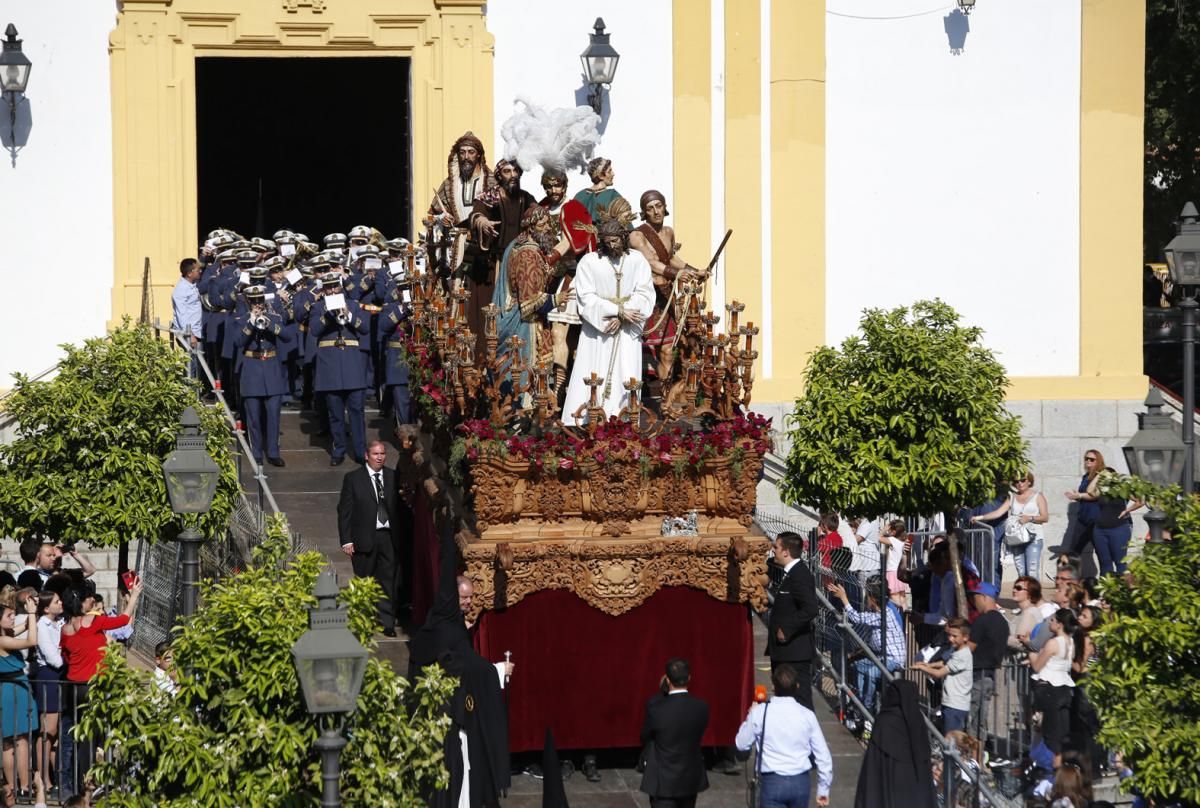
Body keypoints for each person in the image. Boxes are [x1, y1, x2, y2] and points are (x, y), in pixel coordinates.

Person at [409, 524, 509, 808]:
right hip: (448, 722)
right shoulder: (448, 632)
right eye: (464, 598)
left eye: (471, 598)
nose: (469, 603)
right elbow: (463, 666)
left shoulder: (436, 624)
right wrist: (499, 670)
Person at [561, 218, 656, 423]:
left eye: (616, 241)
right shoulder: (589, 262)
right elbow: (585, 297)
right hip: (598, 330)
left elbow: (645, 291)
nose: (612, 245)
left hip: (628, 328)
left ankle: (624, 418)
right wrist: (616, 311)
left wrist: (626, 315)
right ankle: (589, 418)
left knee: (626, 370)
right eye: (607, 242)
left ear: (623, 238)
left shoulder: (637, 260)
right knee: (594, 369)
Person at [492, 205, 573, 399]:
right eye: (543, 225)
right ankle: (522, 413)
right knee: (522, 373)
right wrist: (556, 299)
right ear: (531, 227)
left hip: (510, 315)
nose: (547, 229)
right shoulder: (528, 254)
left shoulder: (516, 244)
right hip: (522, 325)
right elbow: (529, 302)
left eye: (548, 224)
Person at [628, 190, 705, 390]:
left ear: (664, 206)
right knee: (633, 349)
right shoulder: (637, 236)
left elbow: (670, 258)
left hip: (665, 296)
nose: (656, 211)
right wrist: (676, 274)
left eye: (659, 206)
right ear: (644, 212)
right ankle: (632, 396)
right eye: (650, 208)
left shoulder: (669, 232)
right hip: (645, 297)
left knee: (668, 350)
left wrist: (695, 271)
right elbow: (651, 262)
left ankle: (664, 396)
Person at [734, 663, 832, 808]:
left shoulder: (760, 712)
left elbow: (741, 743)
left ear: (773, 686)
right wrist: (823, 790)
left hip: (772, 782)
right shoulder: (807, 715)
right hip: (800, 782)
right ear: (797, 686)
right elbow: (823, 756)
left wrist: (750, 715)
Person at [467, 158, 537, 361]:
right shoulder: (489, 197)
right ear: (499, 175)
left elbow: (539, 216)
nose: (513, 175)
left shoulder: (526, 198)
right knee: (490, 312)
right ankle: (485, 361)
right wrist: (482, 222)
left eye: (516, 171)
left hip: (519, 265)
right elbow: (476, 214)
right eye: (507, 171)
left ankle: (516, 361)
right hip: (493, 266)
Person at [338, 441, 405, 637]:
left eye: (383, 453)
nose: (380, 457)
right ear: (367, 456)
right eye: (376, 453)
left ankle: (387, 622)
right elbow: (344, 511)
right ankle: (365, 621)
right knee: (364, 581)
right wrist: (346, 540)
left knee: (387, 580)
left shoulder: (393, 476)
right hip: (364, 538)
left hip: (388, 537)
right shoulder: (353, 479)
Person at [306, 272, 370, 466]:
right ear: (323, 289)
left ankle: (360, 451)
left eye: (335, 286)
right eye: (328, 287)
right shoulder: (317, 307)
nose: (332, 290)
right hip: (330, 366)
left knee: (357, 411)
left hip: (351, 364)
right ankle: (339, 449)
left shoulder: (353, 305)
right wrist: (328, 314)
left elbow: (364, 328)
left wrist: (347, 315)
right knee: (335, 413)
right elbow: (315, 330)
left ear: (341, 287)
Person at [826, 577, 905, 713]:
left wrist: (844, 599)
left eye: (867, 597)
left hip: (893, 659)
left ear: (873, 599)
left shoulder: (885, 614)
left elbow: (856, 617)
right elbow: (865, 633)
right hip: (881, 656)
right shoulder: (876, 613)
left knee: (871, 673)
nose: (866, 600)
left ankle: (866, 708)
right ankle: (861, 701)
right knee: (858, 666)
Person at [638, 658, 710, 808]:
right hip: (690, 779)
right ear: (689, 678)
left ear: (668, 680)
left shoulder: (656, 709)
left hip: (663, 782)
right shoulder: (701, 707)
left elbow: (645, 736)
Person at [853, 679, 936, 808]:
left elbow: (872, 768)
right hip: (916, 794)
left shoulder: (884, 721)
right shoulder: (917, 721)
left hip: (889, 792)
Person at [233, 284, 288, 467]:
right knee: (254, 417)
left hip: (271, 368)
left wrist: (269, 324)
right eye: (254, 301)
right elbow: (239, 342)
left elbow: (287, 336)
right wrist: (251, 323)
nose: (258, 304)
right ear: (248, 302)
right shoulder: (241, 319)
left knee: (273, 415)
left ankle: (273, 452)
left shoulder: (274, 317)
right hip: (252, 369)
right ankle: (256, 453)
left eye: (260, 300)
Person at [765, 531, 819, 710]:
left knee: (801, 699)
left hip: (794, 653)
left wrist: (786, 629)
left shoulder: (799, 575)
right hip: (785, 652)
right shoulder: (790, 573)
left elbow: (810, 608)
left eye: (776, 547)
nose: (774, 551)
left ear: (786, 551)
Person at [971, 472, 1049, 579]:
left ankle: (1034, 595)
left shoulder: (1038, 496)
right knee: (1021, 572)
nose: (1020, 483)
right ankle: (1023, 595)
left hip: (1033, 537)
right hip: (1016, 538)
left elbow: (1045, 517)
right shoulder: (1012, 497)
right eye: (1016, 481)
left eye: (1023, 480)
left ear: (1029, 482)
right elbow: (998, 512)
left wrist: (1030, 518)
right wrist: (979, 517)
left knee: (1032, 572)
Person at [0, 594, 38, 800]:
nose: (14, 618)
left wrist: (35, 611)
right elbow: (32, 640)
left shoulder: (5, 635)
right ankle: (23, 785)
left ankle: (13, 786)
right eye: (9, 615)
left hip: (8, 688)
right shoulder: (3, 640)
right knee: (20, 739)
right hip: (14, 689)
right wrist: (30, 613)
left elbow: (23, 629)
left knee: (8, 740)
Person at [1029, 608, 1078, 768]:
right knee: (1060, 732)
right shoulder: (1070, 642)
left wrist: (1030, 653)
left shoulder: (1053, 643)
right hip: (1064, 688)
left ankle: (1049, 769)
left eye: (1052, 620)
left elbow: (1037, 666)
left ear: (1059, 624)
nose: (1049, 622)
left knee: (1048, 733)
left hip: (1049, 689)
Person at [912, 617, 972, 734]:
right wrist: (927, 664)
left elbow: (939, 673)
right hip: (950, 702)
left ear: (965, 637)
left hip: (956, 705)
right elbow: (944, 663)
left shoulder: (962, 655)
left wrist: (922, 667)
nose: (950, 639)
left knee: (951, 739)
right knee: (949, 736)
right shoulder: (957, 651)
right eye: (949, 635)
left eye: (955, 636)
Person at [967, 581, 1008, 737]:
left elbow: (968, 649)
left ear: (984, 597)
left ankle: (967, 758)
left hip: (976, 676)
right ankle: (978, 758)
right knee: (980, 723)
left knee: (970, 720)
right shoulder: (1003, 622)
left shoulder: (982, 621)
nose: (973, 602)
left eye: (975, 597)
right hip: (990, 676)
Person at [33, 590, 64, 792]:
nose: (60, 603)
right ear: (46, 608)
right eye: (56, 601)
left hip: (61, 676)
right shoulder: (41, 625)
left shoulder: (60, 622)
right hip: (49, 676)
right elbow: (54, 658)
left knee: (57, 733)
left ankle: (55, 777)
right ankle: (42, 778)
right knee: (48, 731)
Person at [1088, 466, 1141, 575]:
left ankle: (1123, 590)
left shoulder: (1121, 488)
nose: (1105, 478)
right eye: (1103, 476)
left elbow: (1140, 501)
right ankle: (1106, 589)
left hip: (1119, 529)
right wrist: (1098, 475)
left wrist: (1127, 510)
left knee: (1120, 563)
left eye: (1106, 475)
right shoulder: (1102, 490)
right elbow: (1089, 491)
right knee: (1105, 563)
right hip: (1099, 531)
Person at [1062, 450, 1104, 557]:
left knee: (1102, 553)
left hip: (1096, 520)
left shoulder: (1102, 477)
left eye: (1092, 459)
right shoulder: (1086, 477)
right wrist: (1077, 496)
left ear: (1098, 461)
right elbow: (1085, 495)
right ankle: (1070, 573)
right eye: (1086, 459)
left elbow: (1095, 495)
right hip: (1082, 519)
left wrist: (1079, 495)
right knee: (1074, 551)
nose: (1088, 461)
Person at [171, 257, 203, 378]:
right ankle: (190, 394)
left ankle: (195, 394)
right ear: (189, 273)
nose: (200, 271)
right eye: (197, 270)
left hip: (195, 332)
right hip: (189, 334)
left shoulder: (191, 285)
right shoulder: (181, 290)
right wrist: (190, 335)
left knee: (196, 366)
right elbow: (181, 314)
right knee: (191, 367)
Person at [572, 157, 624, 222]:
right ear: (601, 176)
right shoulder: (612, 195)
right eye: (609, 171)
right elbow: (626, 223)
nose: (613, 174)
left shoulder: (579, 195)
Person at [1009, 576, 1051, 649]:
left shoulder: (1030, 613)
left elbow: (1019, 642)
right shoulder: (1023, 612)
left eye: (1018, 588)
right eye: (1014, 587)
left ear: (1030, 593)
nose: (1014, 590)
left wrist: (997, 637)